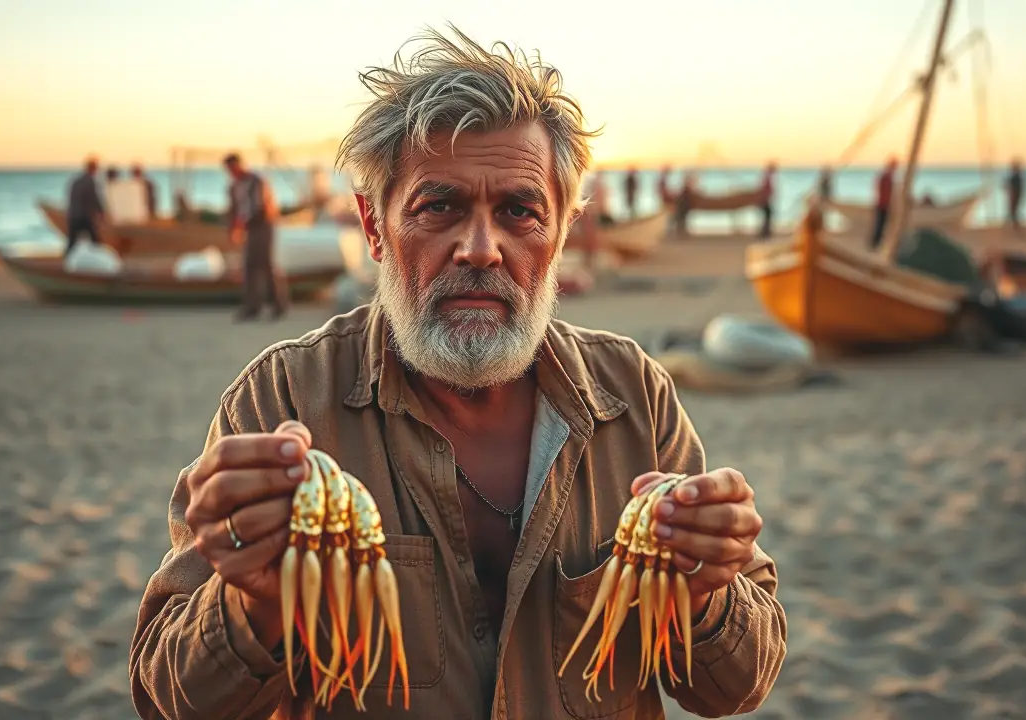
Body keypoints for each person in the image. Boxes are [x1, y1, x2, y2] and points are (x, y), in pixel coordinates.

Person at [131, 25, 786, 720]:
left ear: (560, 233)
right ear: (374, 226)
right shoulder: (284, 400)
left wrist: (708, 589)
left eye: (519, 211)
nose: (481, 250)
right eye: (438, 207)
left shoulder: (633, 399)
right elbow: (168, 698)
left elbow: (735, 688)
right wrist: (251, 599)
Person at [223, 153, 288, 321]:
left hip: (263, 225)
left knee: (265, 264)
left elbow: (261, 207)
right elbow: (234, 209)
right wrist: (234, 229)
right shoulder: (234, 186)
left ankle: (277, 305)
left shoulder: (256, 181)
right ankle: (252, 307)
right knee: (250, 266)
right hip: (250, 227)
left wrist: (243, 224)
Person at [64, 156, 105, 256]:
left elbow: (70, 197)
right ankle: (98, 261)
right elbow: (94, 198)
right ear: (93, 169)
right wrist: (102, 212)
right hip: (84, 216)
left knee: (72, 241)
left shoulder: (76, 180)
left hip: (73, 215)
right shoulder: (90, 181)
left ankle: (66, 262)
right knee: (95, 241)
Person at [871, 156, 899, 249]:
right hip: (883, 204)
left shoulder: (887, 176)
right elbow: (883, 190)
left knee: (881, 225)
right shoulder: (886, 176)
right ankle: (875, 243)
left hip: (884, 203)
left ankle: (876, 243)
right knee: (880, 224)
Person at [1005, 157, 1026, 233]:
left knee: (1013, 210)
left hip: (1015, 194)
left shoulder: (1017, 177)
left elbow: (1017, 187)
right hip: (1014, 194)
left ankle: (1015, 226)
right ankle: (1014, 225)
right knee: (1013, 210)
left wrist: (1014, 194)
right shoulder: (1016, 176)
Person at [758, 161, 777, 238]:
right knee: (768, 215)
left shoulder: (767, 176)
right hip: (764, 200)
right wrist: (764, 198)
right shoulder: (767, 176)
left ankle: (765, 232)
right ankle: (765, 232)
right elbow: (765, 189)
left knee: (767, 215)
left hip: (765, 199)